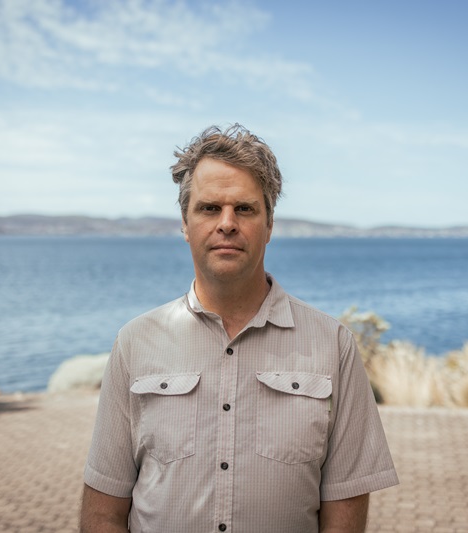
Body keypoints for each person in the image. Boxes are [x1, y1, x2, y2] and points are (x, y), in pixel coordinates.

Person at [80, 124, 398, 533]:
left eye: (244, 209)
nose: (227, 223)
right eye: (210, 208)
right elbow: (103, 513)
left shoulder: (332, 345)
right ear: (185, 222)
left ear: (269, 224)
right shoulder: (135, 342)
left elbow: (345, 515)